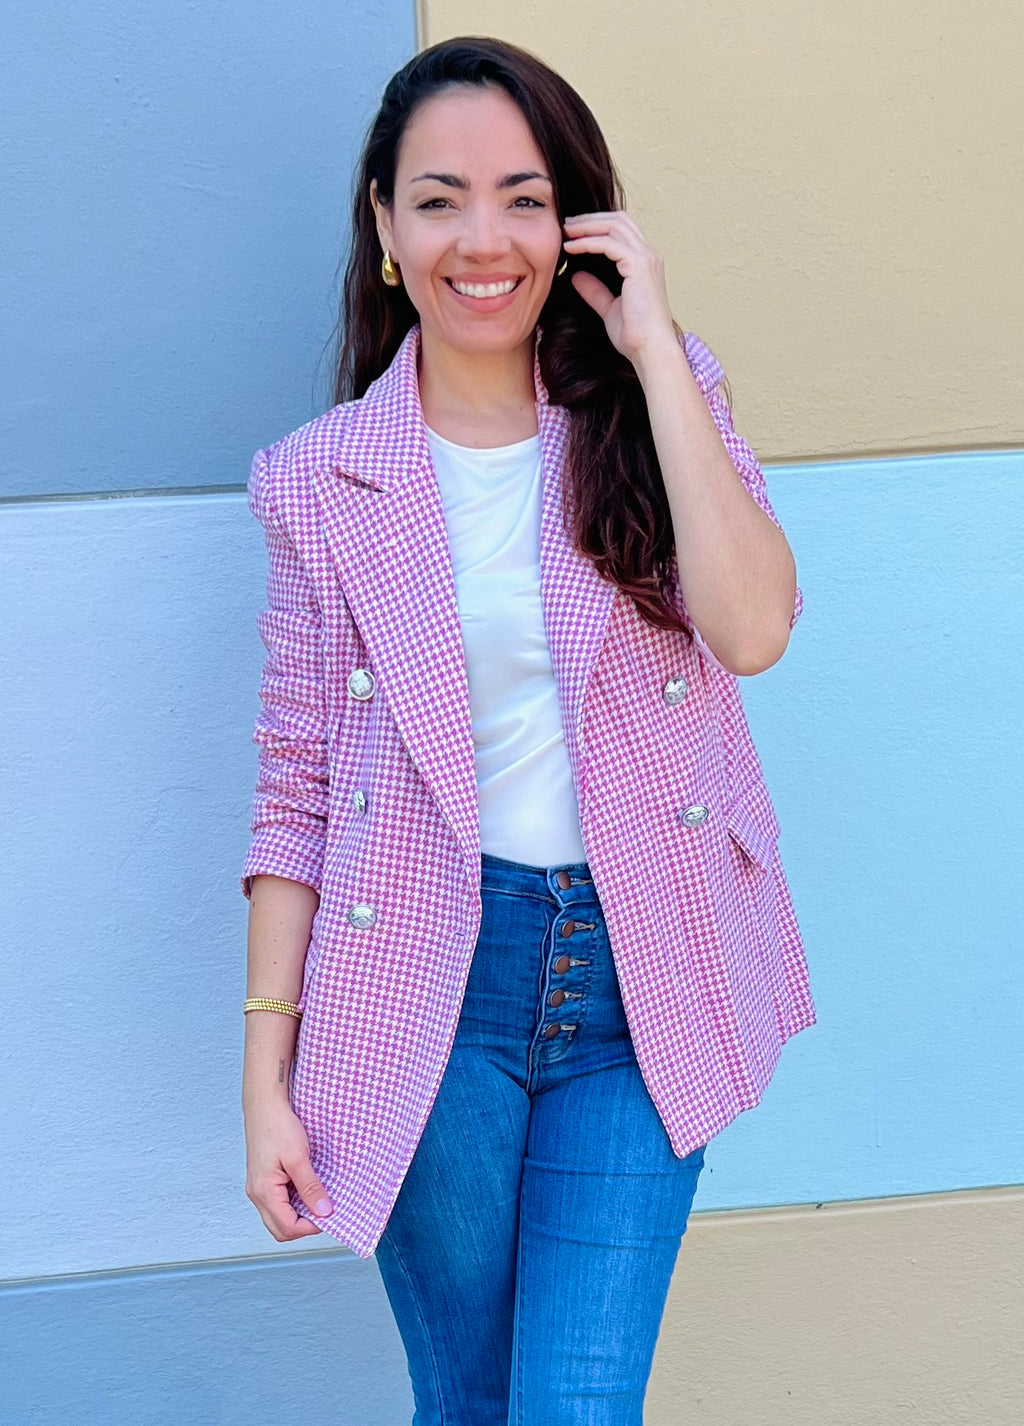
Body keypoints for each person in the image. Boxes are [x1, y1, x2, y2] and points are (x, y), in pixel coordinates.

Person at [240, 35, 817, 1425]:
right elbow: (296, 783)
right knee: (471, 1399)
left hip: (642, 968)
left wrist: (655, 350)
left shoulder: (652, 407)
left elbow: (752, 630)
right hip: (430, 981)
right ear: (384, 227)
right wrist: (264, 1076)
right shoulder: (319, 481)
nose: (481, 238)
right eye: (439, 199)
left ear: (574, 221)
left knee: (572, 1405)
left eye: (521, 195)